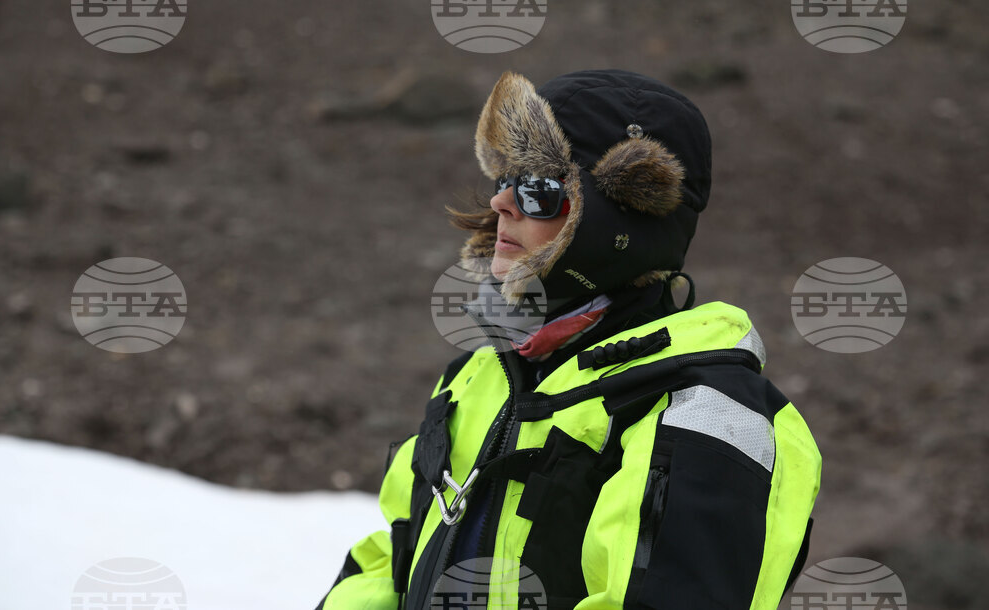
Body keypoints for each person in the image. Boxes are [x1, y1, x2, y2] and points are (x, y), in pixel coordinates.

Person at [315, 69, 822, 610]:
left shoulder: (708, 412)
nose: (501, 204)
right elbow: (393, 555)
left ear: (618, 217)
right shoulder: (477, 376)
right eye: (504, 180)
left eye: (537, 190)